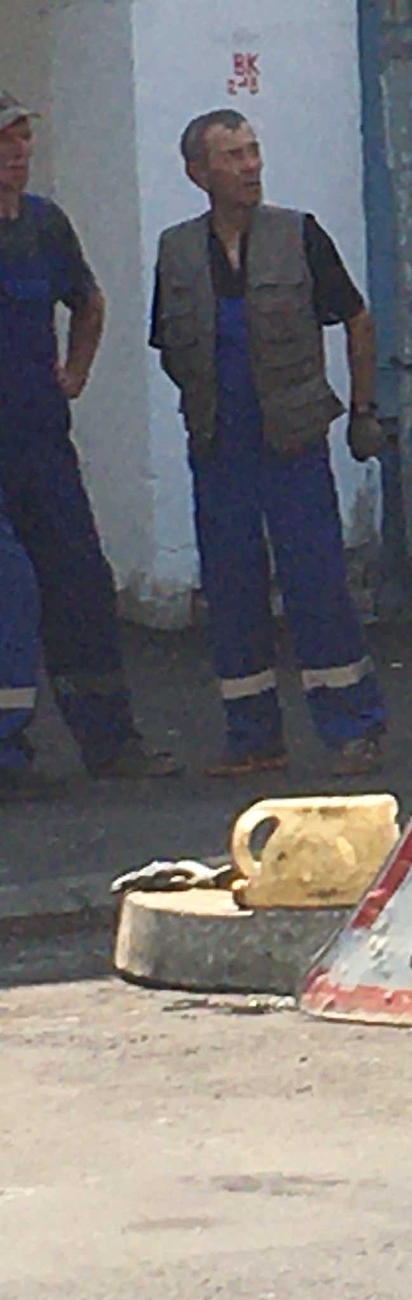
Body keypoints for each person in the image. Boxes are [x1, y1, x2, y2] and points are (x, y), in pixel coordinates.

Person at [151, 110, 388, 776]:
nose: (250, 165)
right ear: (198, 173)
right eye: (232, 155)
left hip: (292, 441)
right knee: (230, 588)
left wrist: (363, 408)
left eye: (253, 151)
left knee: (316, 582)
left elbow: (357, 318)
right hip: (219, 443)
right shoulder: (176, 251)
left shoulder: (299, 235)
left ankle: (355, 726)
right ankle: (253, 736)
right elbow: (169, 342)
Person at [0, 93, 176, 795]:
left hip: (41, 441)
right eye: (4, 141)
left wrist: (75, 372)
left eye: (22, 138)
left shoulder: (45, 227)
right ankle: (7, 751)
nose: (16, 151)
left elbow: (89, 301)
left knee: (79, 583)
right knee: (9, 588)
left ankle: (109, 741)